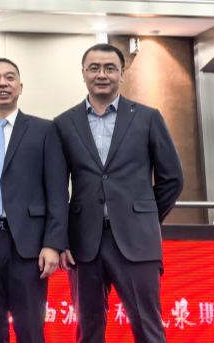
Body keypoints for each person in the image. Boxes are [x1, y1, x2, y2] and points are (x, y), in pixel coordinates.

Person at [53, 44, 183, 343]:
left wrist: (142, 216)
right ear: (83, 73)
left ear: (122, 74)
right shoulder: (63, 123)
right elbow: (57, 188)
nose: (102, 74)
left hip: (137, 242)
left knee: (148, 328)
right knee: (88, 331)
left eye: (110, 68)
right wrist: (60, 238)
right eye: (94, 68)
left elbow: (172, 178)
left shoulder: (148, 117)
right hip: (84, 243)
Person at [0, 58, 67, 343]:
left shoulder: (45, 130)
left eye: (9, 77)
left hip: (29, 248)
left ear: (20, 86)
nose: (2, 83)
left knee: (30, 329)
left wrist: (53, 244)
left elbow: (58, 192)